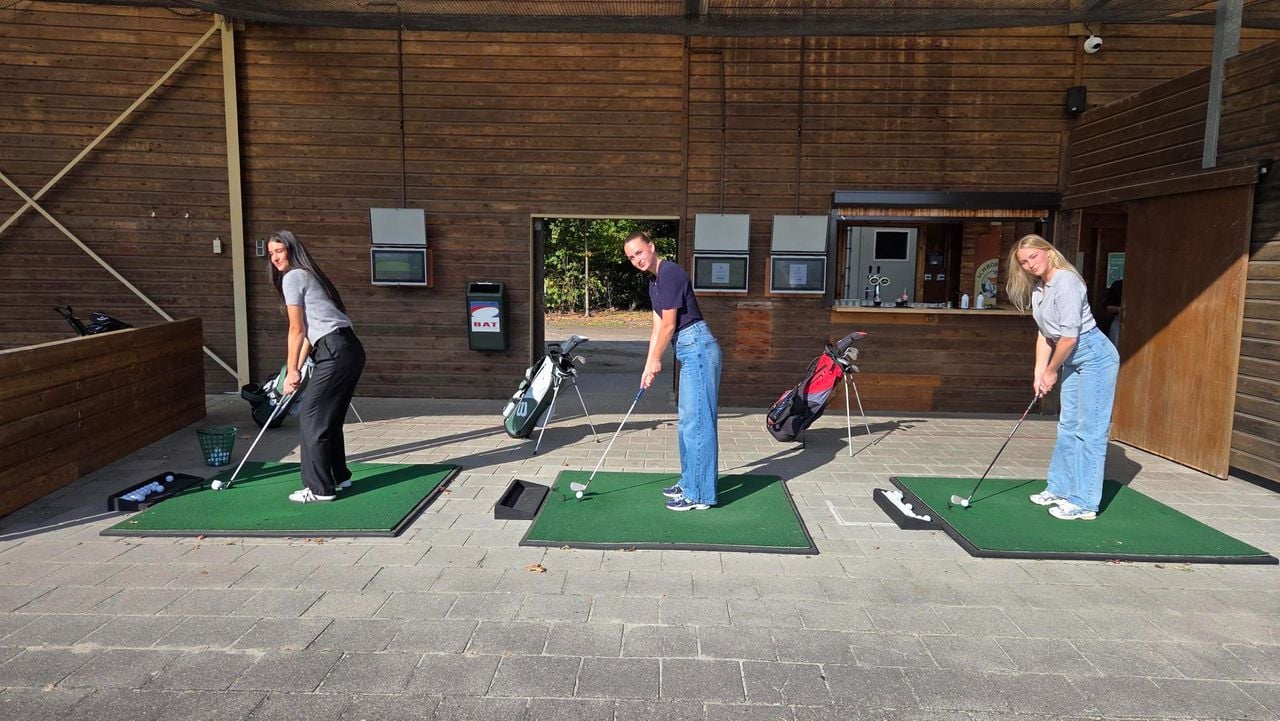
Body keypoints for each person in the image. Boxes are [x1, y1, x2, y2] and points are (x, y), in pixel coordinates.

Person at [1006, 234, 1119, 521]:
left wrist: (1052, 371)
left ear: (1047, 252)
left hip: (1094, 355)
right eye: (1023, 261)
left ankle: (1084, 502)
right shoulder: (1039, 290)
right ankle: (1060, 488)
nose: (1030, 264)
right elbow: (1046, 335)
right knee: (1067, 425)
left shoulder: (1067, 282)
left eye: (1033, 256)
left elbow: (1069, 337)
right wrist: (1038, 372)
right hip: (1071, 358)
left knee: (1089, 432)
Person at [623, 231, 722, 511]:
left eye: (639, 252)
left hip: (699, 348)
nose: (636, 260)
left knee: (698, 423)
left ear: (651, 247)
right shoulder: (654, 282)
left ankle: (699, 495)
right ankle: (691, 481)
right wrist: (647, 365)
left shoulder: (670, 273)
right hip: (688, 349)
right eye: (631, 257)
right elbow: (656, 329)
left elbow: (669, 325)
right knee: (686, 423)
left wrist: (658, 360)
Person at [267, 230, 366, 503]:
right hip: (348, 349)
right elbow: (309, 336)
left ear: (291, 250)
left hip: (335, 350)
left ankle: (319, 488)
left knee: (311, 418)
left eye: (279, 251)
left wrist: (291, 372)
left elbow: (296, 330)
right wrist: (294, 370)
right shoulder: (310, 275)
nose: (275, 258)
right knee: (329, 418)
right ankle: (339, 476)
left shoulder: (292, 277)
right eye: (271, 253)